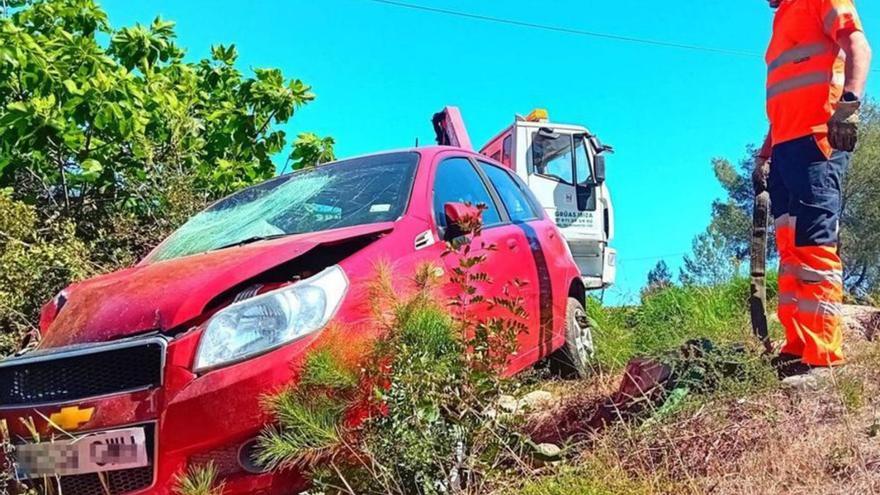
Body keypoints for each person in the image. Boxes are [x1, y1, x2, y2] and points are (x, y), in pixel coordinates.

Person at [755, 0, 872, 377]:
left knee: (814, 247)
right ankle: (797, 347)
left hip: (817, 141)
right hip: (786, 147)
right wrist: (765, 151)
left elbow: (859, 45)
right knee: (790, 252)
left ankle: (823, 356)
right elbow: (787, 96)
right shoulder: (784, 18)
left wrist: (849, 105)